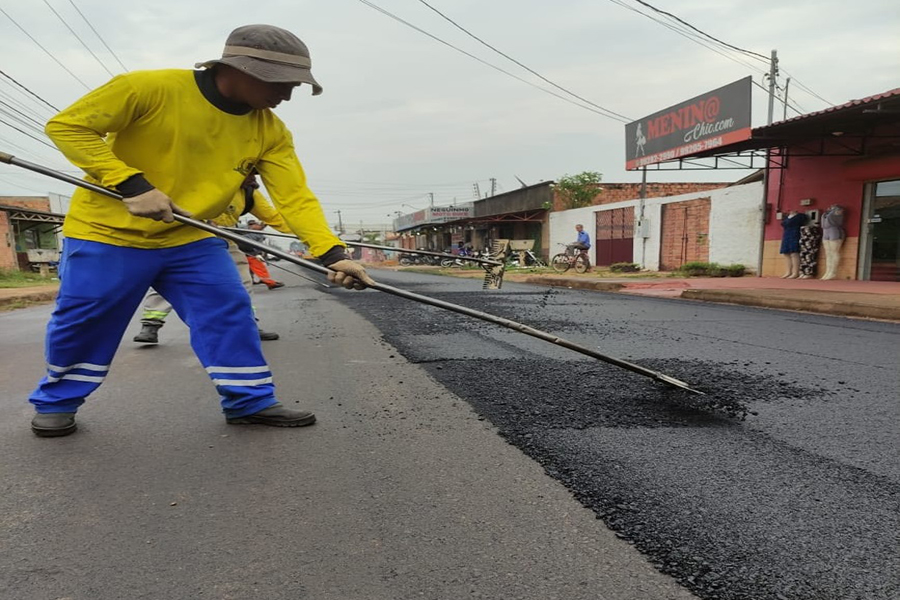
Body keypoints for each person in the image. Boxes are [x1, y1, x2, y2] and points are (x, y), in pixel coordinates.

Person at [29, 24, 375, 438]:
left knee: (228, 311)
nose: (286, 95)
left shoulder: (271, 131)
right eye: (281, 83)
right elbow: (67, 126)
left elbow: (295, 198)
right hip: (107, 233)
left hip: (190, 237)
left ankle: (250, 400)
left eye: (294, 86)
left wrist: (333, 254)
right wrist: (130, 183)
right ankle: (57, 401)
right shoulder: (148, 88)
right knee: (85, 319)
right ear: (239, 69)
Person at [133, 173, 287, 344]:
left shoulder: (248, 193)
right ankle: (151, 324)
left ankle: (248, 325)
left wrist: (309, 236)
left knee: (242, 282)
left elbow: (274, 218)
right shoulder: (203, 180)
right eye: (250, 173)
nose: (254, 178)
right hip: (188, 238)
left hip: (225, 240)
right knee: (171, 280)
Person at [239, 220, 285, 289]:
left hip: (244, 253)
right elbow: (252, 245)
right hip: (250, 254)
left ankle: (251, 280)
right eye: (255, 224)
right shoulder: (252, 234)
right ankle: (270, 283)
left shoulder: (248, 233)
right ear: (251, 226)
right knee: (260, 269)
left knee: (247, 269)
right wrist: (257, 253)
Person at [779, 210, 808, 278]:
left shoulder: (799, 216)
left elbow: (802, 220)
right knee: (786, 253)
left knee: (794, 253)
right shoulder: (787, 217)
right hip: (786, 235)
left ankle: (795, 272)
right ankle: (788, 271)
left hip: (795, 234)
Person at [820, 204, 845, 280]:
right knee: (828, 253)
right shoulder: (827, 212)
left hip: (834, 231)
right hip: (825, 231)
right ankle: (828, 271)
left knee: (834, 252)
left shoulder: (838, 210)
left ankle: (833, 272)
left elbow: (839, 219)